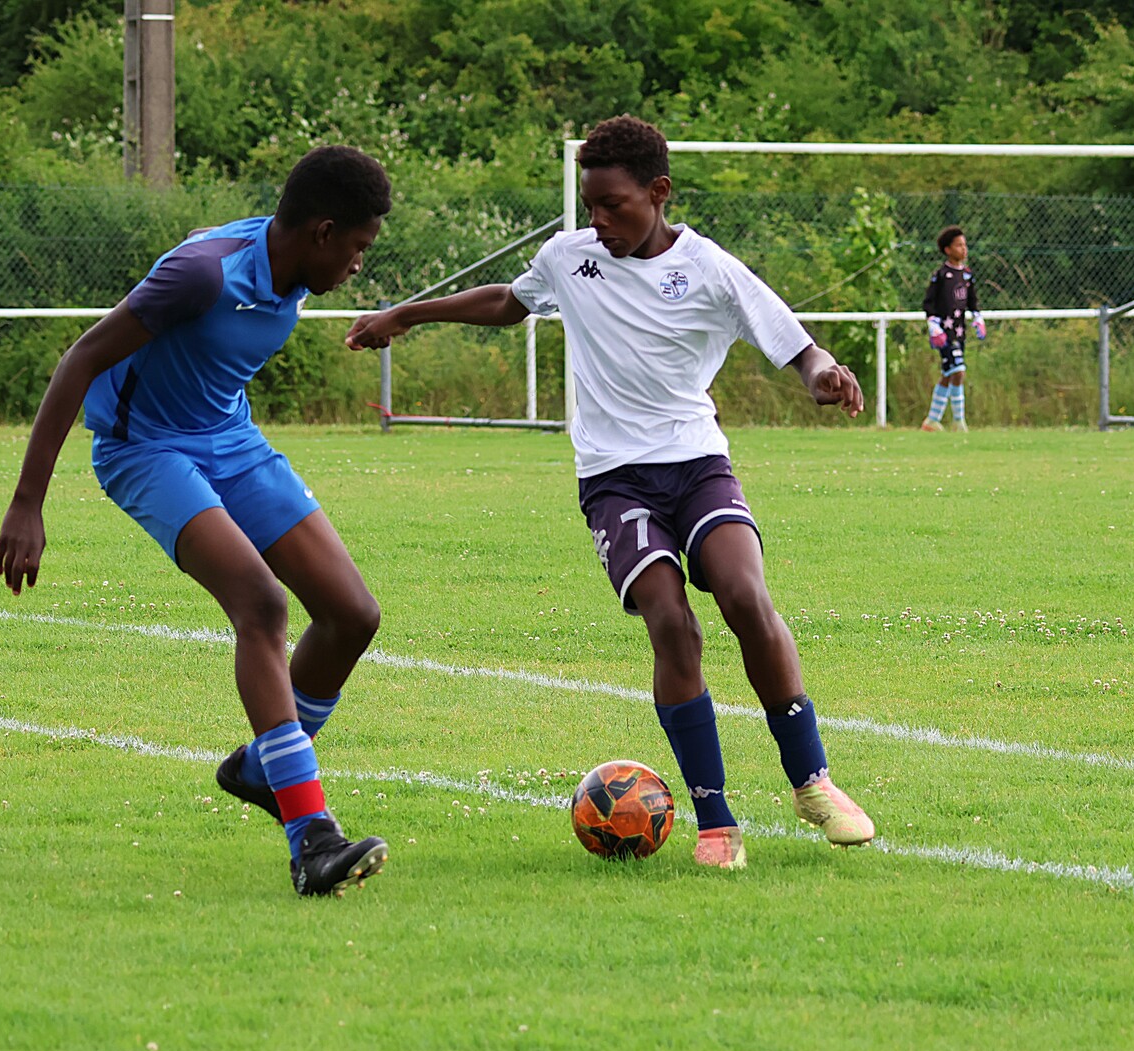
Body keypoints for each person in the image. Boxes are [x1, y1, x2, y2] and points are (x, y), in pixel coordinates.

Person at [346, 116, 876, 870]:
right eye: (590, 204)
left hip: (697, 464)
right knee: (672, 623)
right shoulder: (570, 258)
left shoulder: (710, 269)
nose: (598, 220)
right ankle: (715, 820)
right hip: (614, 479)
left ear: (659, 192)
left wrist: (823, 374)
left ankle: (812, 782)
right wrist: (407, 314)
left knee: (745, 596)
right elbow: (510, 302)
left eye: (613, 204)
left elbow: (795, 342)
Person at [0, 146, 392, 897]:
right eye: (357, 247)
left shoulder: (291, 268)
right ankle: (311, 837)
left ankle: (261, 768)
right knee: (261, 604)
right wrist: (27, 502)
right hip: (145, 449)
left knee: (352, 614)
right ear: (321, 231)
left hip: (229, 438)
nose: (358, 264)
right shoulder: (203, 273)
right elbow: (80, 360)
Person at [920, 225, 985, 432]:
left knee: (949, 374)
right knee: (959, 370)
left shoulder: (966, 275)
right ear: (948, 249)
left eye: (965, 245)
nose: (964, 249)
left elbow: (972, 301)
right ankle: (959, 421)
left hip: (959, 332)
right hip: (944, 334)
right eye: (958, 245)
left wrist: (978, 317)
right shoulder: (941, 275)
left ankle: (932, 420)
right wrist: (933, 324)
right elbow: (928, 302)